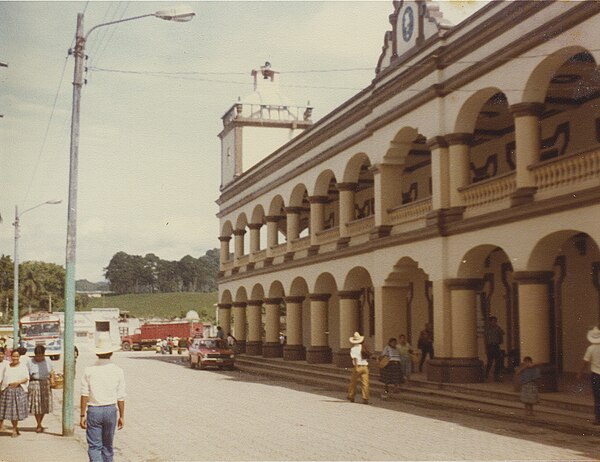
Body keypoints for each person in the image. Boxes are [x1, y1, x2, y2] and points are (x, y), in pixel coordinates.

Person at [80, 333, 126, 462]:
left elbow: (84, 394)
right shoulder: (118, 370)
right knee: (107, 446)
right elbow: (121, 396)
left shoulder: (89, 370)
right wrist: (122, 416)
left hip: (94, 410)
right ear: (111, 353)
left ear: (97, 353)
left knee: (94, 446)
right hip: (110, 410)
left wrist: (82, 415)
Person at [0, 350, 29, 437]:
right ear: (10, 357)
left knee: (16, 412)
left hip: (18, 391)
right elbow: (2, 378)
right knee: (9, 412)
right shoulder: (7, 366)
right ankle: (14, 428)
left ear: (19, 357)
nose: (15, 358)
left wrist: (18, 382)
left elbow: (26, 378)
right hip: (7, 390)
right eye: (13, 356)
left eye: (17, 356)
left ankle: (14, 429)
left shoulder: (23, 366)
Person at [28, 345, 55, 432]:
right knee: (36, 405)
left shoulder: (48, 361)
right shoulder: (30, 362)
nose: (39, 357)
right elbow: (27, 374)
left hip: (45, 384)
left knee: (43, 405)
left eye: (41, 355)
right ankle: (38, 424)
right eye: (37, 355)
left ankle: (40, 423)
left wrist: (52, 381)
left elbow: (52, 372)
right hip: (34, 383)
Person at [578, 326, 600, 425]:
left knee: (597, 397)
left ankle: (598, 418)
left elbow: (585, 362)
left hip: (596, 375)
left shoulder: (590, 348)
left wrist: (580, 373)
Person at [347, 332, 370, 404]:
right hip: (365, 366)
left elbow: (355, 359)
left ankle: (351, 396)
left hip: (358, 366)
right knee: (365, 383)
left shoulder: (354, 349)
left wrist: (356, 366)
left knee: (353, 382)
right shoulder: (364, 347)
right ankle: (365, 398)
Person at [485, 316, 505, 382]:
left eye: (495, 321)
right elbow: (486, 338)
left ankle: (496, 376)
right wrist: (486, 348)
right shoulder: (488, 329)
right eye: (493, 321)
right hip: (490, 346)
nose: (495, 322)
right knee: (490, 361)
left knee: (498, 361)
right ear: (490, 322)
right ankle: (486, 375)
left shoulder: (497, 328)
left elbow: (503, 332)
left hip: (496, 346)